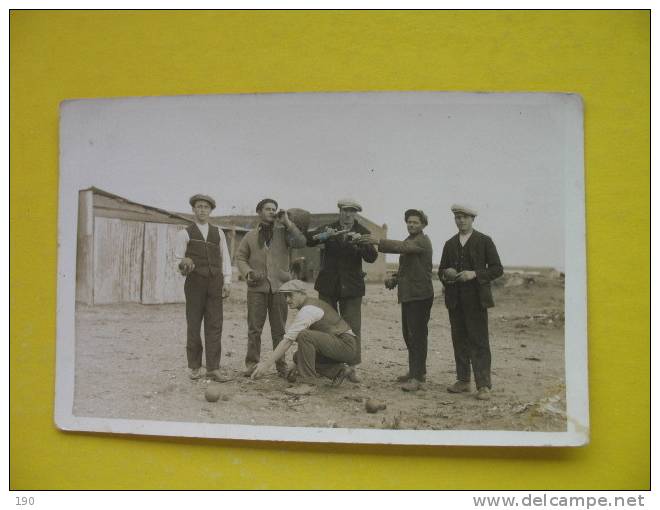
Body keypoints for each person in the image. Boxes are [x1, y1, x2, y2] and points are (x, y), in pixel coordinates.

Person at [360, 209, 434, 392]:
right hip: (409, 294)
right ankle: (416, 372)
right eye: (409, 221)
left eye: (415, 222)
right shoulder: (410, 240)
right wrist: (395, 278)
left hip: (420, 295)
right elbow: (407, 267)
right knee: (409, 335)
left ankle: (417, 378)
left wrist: (378, 241)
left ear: (423, 225)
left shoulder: (422, 240)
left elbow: (403, 248)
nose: (411, 225)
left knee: (417, 336)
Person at [305, 198, 378, 380]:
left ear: (356, 214)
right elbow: (309, 241)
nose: (348, 215)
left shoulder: (363, 232)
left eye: (352, 211)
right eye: (345, 211)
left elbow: (372, 257)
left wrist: (360, 243)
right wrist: (324, 236)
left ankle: (352, 367)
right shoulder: (329, 228)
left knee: (352, 327)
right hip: (328, 285)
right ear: (339, 211)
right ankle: (327, 365)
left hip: (351, 288)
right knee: (324, 325)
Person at [236, 199, 307, 377]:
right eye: (267, 209)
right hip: (256, 289)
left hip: (279, 288)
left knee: (279, 330)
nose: (271, 211)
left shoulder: (284, 233)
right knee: (254, 329)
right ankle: (252, 364)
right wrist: (248, 272)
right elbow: (240, 257)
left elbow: (300, 242)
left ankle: (281, 365)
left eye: (274, 209)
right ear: (259, 212)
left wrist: (287, 222)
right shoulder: (250, 236)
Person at [438, 204, 503, 401]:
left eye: (465, 217)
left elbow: (497, 269)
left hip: (476, 300)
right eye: (457, 217)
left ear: (472, 219)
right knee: (459, 340)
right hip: (455, 300)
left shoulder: (484, 241)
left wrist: (474, 274)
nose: (461, 220)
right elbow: (441, 270)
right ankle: (463, 381)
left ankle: (483, 385)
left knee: (479, 342)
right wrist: (446, 275)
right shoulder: (449, 244)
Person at [250, 280, 357, 386]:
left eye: (290, 295)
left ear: (301, 293)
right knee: (298, 357)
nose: (287, 300)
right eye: (285, 296)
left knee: (304, 335)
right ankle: (339, 371)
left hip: (345, 345)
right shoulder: (309, 305)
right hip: (340, 345)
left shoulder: (308, 310)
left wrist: (265, 365)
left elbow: (287, 341)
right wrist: (297, 366)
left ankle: (308, 383)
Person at [175, 194, 232, 382]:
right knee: (193, 325)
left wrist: (228, 281)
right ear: (193, 209)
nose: (202, 210)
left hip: (215, 283)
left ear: (210, 210)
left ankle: (213, 368)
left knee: (215, 324)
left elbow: (225, 258)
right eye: (198, 206)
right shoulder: (185, 233)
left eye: (206, 207)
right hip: (194, 284)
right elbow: (177, 260)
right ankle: (194, 366)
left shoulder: (219, 233)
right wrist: (183, 264)